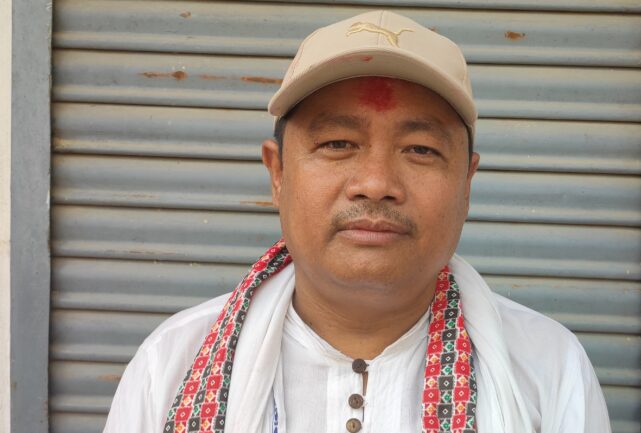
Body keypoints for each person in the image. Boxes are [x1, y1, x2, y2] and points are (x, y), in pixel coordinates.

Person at [104, 10, 611, 433]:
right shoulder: (170, 364)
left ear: (466, 184)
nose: (375, 182)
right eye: (337, 143)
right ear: (278, 174)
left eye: (420, 149)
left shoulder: (547, 368)